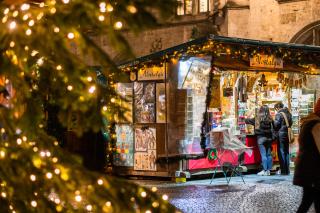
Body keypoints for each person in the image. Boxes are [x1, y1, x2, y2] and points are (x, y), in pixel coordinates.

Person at [293, 98, 320, 213]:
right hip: (313, 171)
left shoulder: (309, 122)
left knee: (308, 201)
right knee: (310, 201)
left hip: (308, 170)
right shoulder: (316, 125)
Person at [246, 105, 275, 176]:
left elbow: (247, 120)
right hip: (269, 138)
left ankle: (264, 170)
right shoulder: (270, 118)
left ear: (260, 110)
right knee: (269, 154)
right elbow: (274, 127)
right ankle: (269, 170)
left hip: (261, 138)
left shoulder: (258, 118)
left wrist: (251, 112)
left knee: (263, 155)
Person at [274, 102, 292, 175]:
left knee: (281, 151)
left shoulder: (279, 114)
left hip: (280, 135)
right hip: (287, 134)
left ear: (277, 108)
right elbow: (291, 123)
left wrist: (273, 122)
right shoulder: (289, 114)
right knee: (286, 151)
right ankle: (287, 170)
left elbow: (276, 125)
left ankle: (283, 170)